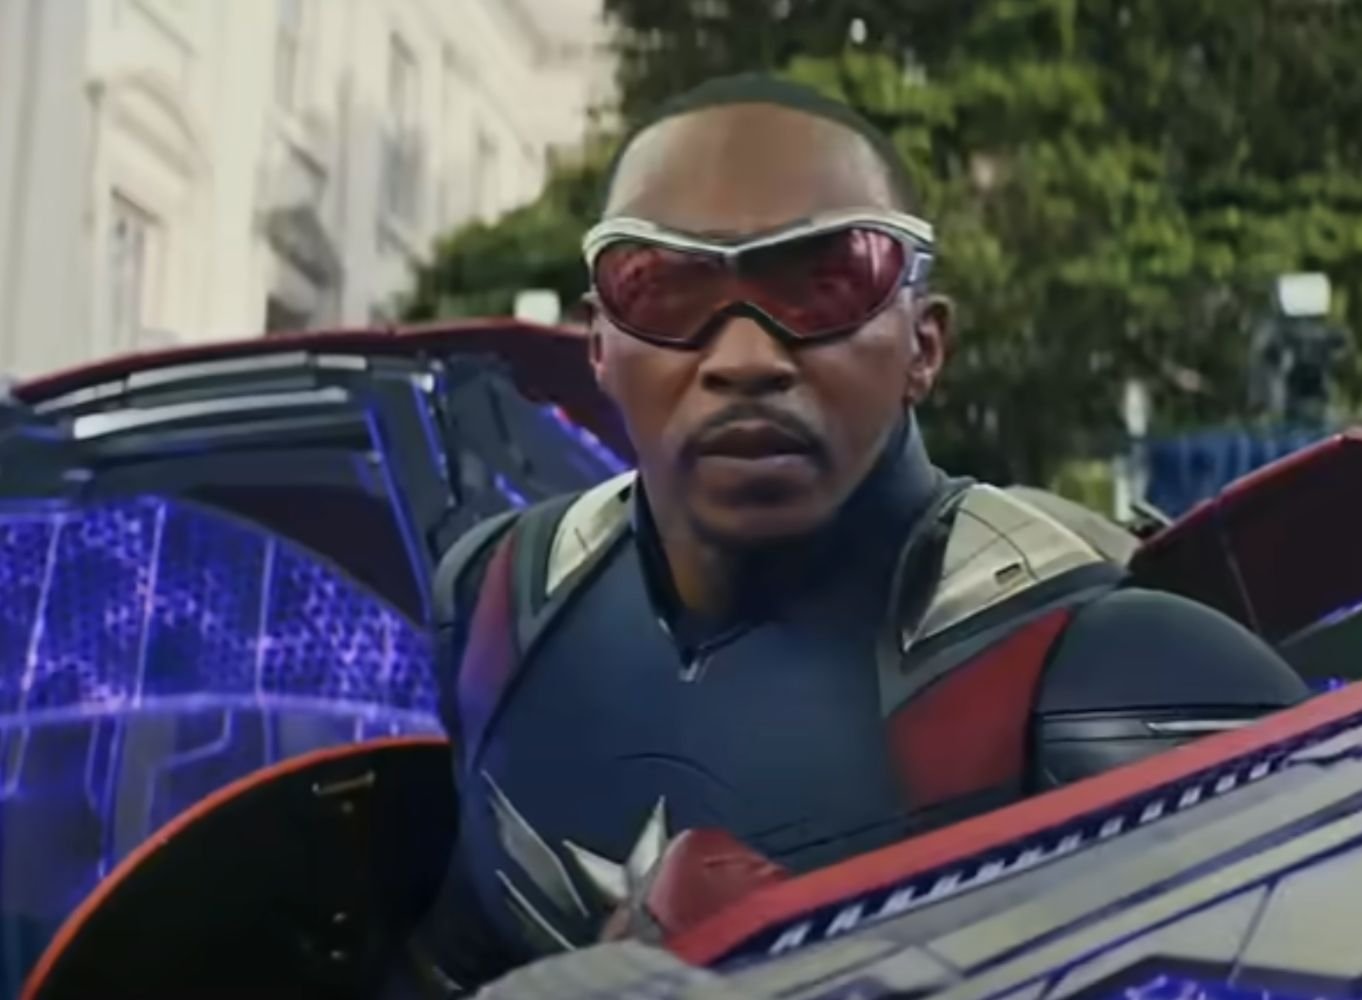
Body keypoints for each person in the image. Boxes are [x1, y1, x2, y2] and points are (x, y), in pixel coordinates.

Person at [385, 75, 1309, 997]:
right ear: (599, 344)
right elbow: (453, 956)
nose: (745, 358)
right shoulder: (503, 599)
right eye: (664, 289)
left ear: (924, 345)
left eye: (825, 286)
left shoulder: (1111, 673)